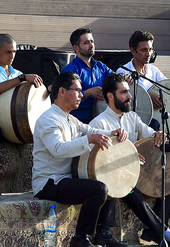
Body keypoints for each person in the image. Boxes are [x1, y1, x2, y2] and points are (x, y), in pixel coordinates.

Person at [90, 73, 170, 246]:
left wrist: (159, 134)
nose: (129, 96)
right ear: (110, 96)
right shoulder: (99, 123)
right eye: (124, 92)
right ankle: (164, 234)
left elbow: (149, 134)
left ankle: (150, 232)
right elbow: (101, 160)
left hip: (139, 170)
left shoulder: (132, 117)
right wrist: (129, 155)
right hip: (116, 176)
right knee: (131, 190)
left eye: (128, 92)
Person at [33, 72, 128, 247]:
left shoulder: (69, 118)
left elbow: (87, 130)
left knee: (109, 178)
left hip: (66, 179)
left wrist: (112, 133)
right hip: (49, 183)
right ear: (62, 91)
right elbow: (57, 149)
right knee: (98, 189)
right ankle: (80, 239)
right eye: (77, 90)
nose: (81, 95)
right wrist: (89, 140)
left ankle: (104, 234)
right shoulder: (48, 119)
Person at [0, 34, 43, 195]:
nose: (12, 56)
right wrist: (22, 78)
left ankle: (43, 180)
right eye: (7, 52)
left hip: (15, 125)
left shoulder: (18, 73)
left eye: (14, 52)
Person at [117, 30, 166, 129]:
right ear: (133, 51)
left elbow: (167, 87)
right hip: (131, 123)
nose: (148, 54)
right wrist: (147, 97)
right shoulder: (122, 72)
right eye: (144, 50)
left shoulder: (154, 70)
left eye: (150, 49)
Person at [61, 28, 113, 123]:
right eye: (86, 43)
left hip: (102, 121)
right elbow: (65, 100)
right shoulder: (70, 70)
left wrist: (126, 77)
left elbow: (115, 79)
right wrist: (87, 93)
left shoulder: (101, 66)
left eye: (92, 41)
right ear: (76, 48)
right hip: (79, 122)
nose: (91, 45)